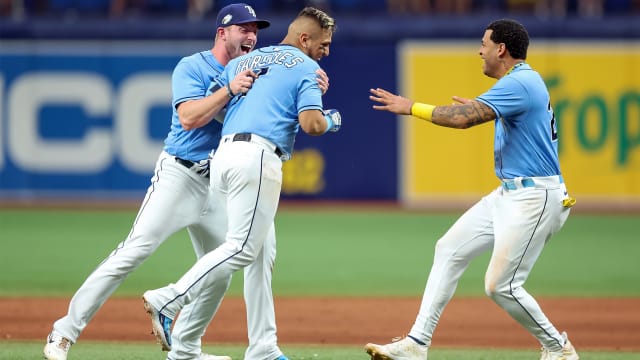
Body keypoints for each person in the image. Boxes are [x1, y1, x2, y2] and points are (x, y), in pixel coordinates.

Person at [43, 3, 328, 360]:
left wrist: (314, 84)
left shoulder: (257, 68)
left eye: (256, 29)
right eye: (244, 28)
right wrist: (229, 90)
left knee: (229, 262)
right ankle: (63, 332)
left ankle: (186, 349)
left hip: (221, 181)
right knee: (134, 251)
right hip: (180, 174)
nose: (251, 35)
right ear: (223, 32)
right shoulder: (193, 66)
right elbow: (190, 117)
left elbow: (284, 106)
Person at [364, 18, 579, 360]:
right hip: (509, 194)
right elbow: (483, 113)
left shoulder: (521, 82)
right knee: (448, 249)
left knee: (501, 286)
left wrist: (411, 107)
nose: (480, 50)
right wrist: (487, 109)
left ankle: (560, 348)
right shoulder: (518, 83)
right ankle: (416, 344)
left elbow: (462, 118)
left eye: (484, 43)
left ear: (501, 49)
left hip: (534, 196)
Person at [141, 6, 339, 359]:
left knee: (262, 252)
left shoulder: (245, 62)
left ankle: (262, 347)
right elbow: (311, 124)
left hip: (223, 156)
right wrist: (331, 119)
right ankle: (168, 299)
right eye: (323, 44)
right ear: (304, 38)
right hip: (258, 157)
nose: (326, 51)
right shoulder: (309, 68)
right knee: (243, 247)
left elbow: (215, 106)